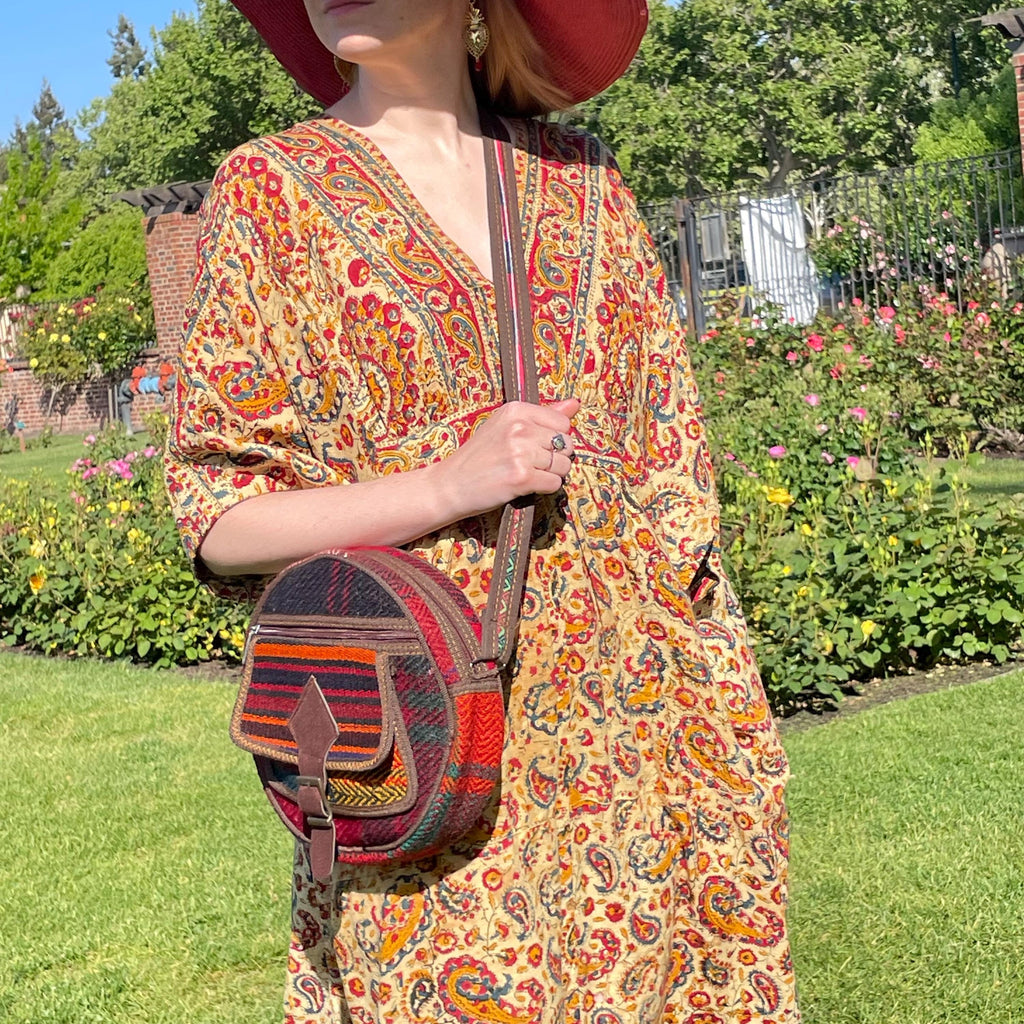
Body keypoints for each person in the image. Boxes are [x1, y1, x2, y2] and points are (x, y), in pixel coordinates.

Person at [164, 1, 801, 1020]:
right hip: (429, 738)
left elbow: (674, 467)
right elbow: (219, 512)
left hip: (637, 741)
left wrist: (719, 704)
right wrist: (444, 487)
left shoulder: (582, 180)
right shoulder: (273, 189)